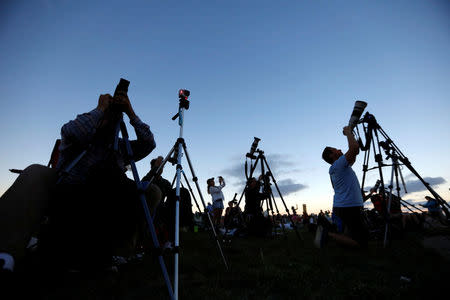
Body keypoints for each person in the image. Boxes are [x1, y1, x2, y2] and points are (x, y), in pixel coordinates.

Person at [48, 91, 156, 270]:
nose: (110, 122)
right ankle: (85, 251)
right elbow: (71, 130)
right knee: (104, 175)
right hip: (76, 196)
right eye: (107, 117)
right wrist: (100, 109)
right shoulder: (81, 137)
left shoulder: (119, 147)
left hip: (111, 200)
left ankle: (122, 251)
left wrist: (130, 113)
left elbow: (149, 143)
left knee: (152, 191)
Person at [318, 126, 369, 249]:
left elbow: (354, 152)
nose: (340, 149)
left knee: (352, 235)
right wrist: (348, 132)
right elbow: (354, 148)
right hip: (349, 207)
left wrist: (351, 134)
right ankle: (327, 234)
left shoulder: (340, 166)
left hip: (346, 206)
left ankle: (332, 231)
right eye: (335, 149)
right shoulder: (338, 164)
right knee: (361, 244)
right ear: (331, 156)